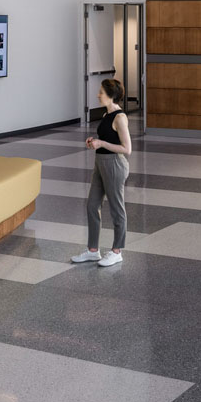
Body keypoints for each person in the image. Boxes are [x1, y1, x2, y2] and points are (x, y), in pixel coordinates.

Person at [73, 78, 132, 266]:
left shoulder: (120, 118)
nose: (98, 95)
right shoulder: (106, 115)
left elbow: (127, 149)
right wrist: (94, 142)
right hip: (100, 163)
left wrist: (102, 144)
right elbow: (106, 137)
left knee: (117, 209)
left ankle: (117, 251)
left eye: (102, 93)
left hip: (114, 165)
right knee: (92, 205)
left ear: (111, 96)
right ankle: (93, 250)